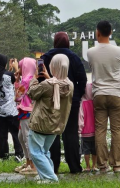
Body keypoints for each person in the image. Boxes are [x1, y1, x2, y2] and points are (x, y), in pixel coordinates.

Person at [41, 32, 87, 174]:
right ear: (67, 42)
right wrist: (76, 94)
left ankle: (53, 167)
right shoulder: (74, 57)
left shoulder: (44, 58)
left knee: (52, 133)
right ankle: (74, 166)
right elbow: (83, 79)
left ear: (54, 42)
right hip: (71, 100)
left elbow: (39, 78)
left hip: (50, 100)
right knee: (71, 133)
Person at [87, 20, 120, 173]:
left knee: (100, 130)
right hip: (116, 94)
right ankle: (117, 165)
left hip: (98, 95)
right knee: (117, 130)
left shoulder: (90, 52)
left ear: (97, 33)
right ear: (111, 32)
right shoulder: (119, 51)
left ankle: (102, 165)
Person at [27, 54, 74, 183]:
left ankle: (50, 178)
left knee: (36, 152)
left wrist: (35, 77)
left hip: (40, 124)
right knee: (45, 151)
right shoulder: (69, 85)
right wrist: (49, 78)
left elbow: (31, 92)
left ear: (53, 67)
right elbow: (56, 87)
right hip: (55, 125)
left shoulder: (48, 84)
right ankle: (45, 175)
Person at [14, 57, 37, 175]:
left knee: (26, 138)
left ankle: (32, 165)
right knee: (21, 137)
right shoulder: (32, 79)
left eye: (21, 67)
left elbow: (17, 97)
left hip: (26, 112)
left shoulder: (26, 81)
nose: (19, 69)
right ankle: (28, 162)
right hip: (26, 111)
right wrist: (18, 79)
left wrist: (17, 80)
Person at [78, 83, 98, 172]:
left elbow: (80, 117)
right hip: (95, 131)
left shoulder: (82, 103)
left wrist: (79, 129)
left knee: (86, 151)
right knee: (94, 150)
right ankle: (94, 166)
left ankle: (87, 166)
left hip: (85, 132)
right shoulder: (95, 102)